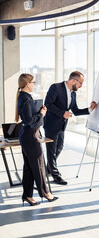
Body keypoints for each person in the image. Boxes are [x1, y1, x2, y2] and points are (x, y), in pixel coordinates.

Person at [44, 71, 97, 185]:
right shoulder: (56, 87)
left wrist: (90, 109)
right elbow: (48, 104)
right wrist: (62, 113)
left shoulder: (73, 94)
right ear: (74, 80)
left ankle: (47, 169)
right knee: (51, 150)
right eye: (80, 83)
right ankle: (55, 175)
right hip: (51, 124)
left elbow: (76, 111)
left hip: (62, 126)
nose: (81, 86)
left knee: (59, 147)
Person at [15, 73, 58, 206]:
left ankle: (27, 195)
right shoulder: (26, 99)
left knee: (29, 167)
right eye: (33, 82)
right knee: (39, 166)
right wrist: (41, 114)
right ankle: (45, 193)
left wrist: (39, 113)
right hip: (31, 136)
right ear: (27, 84)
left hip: (28, 135)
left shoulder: (24, 97)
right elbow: (28, 120)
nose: (34, 84)